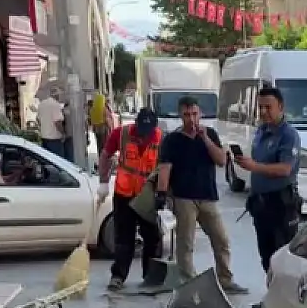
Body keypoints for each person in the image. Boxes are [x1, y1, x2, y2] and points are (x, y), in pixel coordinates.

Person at [155, 96, 247, 294]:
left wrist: (205, 138)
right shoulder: (172, 140)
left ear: (200, 114)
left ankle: (225, 279)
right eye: (187, 115)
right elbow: (165, 168)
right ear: (180, 115)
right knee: (185, 243)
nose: (191, 119)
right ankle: (189, 282)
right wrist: (162, 193)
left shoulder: (210, 134)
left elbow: (222, 160)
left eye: (194, 114)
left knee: (221, 239)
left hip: (208, 196)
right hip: (184, 197)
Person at [233, 86, 301, 308]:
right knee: (266, 254)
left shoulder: (288, 135)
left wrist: (254, 166)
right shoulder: (261, 131)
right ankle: (273, 295)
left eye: (268, 107)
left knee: (283, 255)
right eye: (260, 107)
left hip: (281, 203)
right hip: (260, 203)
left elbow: (284, 169)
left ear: (281, 107)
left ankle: (288, 302)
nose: (263, 112)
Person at [98, 108, 163, 291]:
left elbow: (165, 167)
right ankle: (118, 276)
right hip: (124, 194)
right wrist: (103, 182)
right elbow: (105, 156)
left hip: (146, 196)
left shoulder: (160, 138)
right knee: (123, 238)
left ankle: (150, 275)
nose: (144, 136)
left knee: (152, 237)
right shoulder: (122, 133)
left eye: (148, 132)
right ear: (136, 124)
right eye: (142, 130)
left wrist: (164, 193)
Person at [37, 87, 66, 158]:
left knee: (48, 161)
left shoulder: (42, 104)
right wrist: (63, 134)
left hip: (44, 138)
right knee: (58, 162)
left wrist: (44, 127)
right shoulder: (55, 105)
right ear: (57, 95)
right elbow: (58, 122)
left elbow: (38, 119)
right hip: (54, 140)